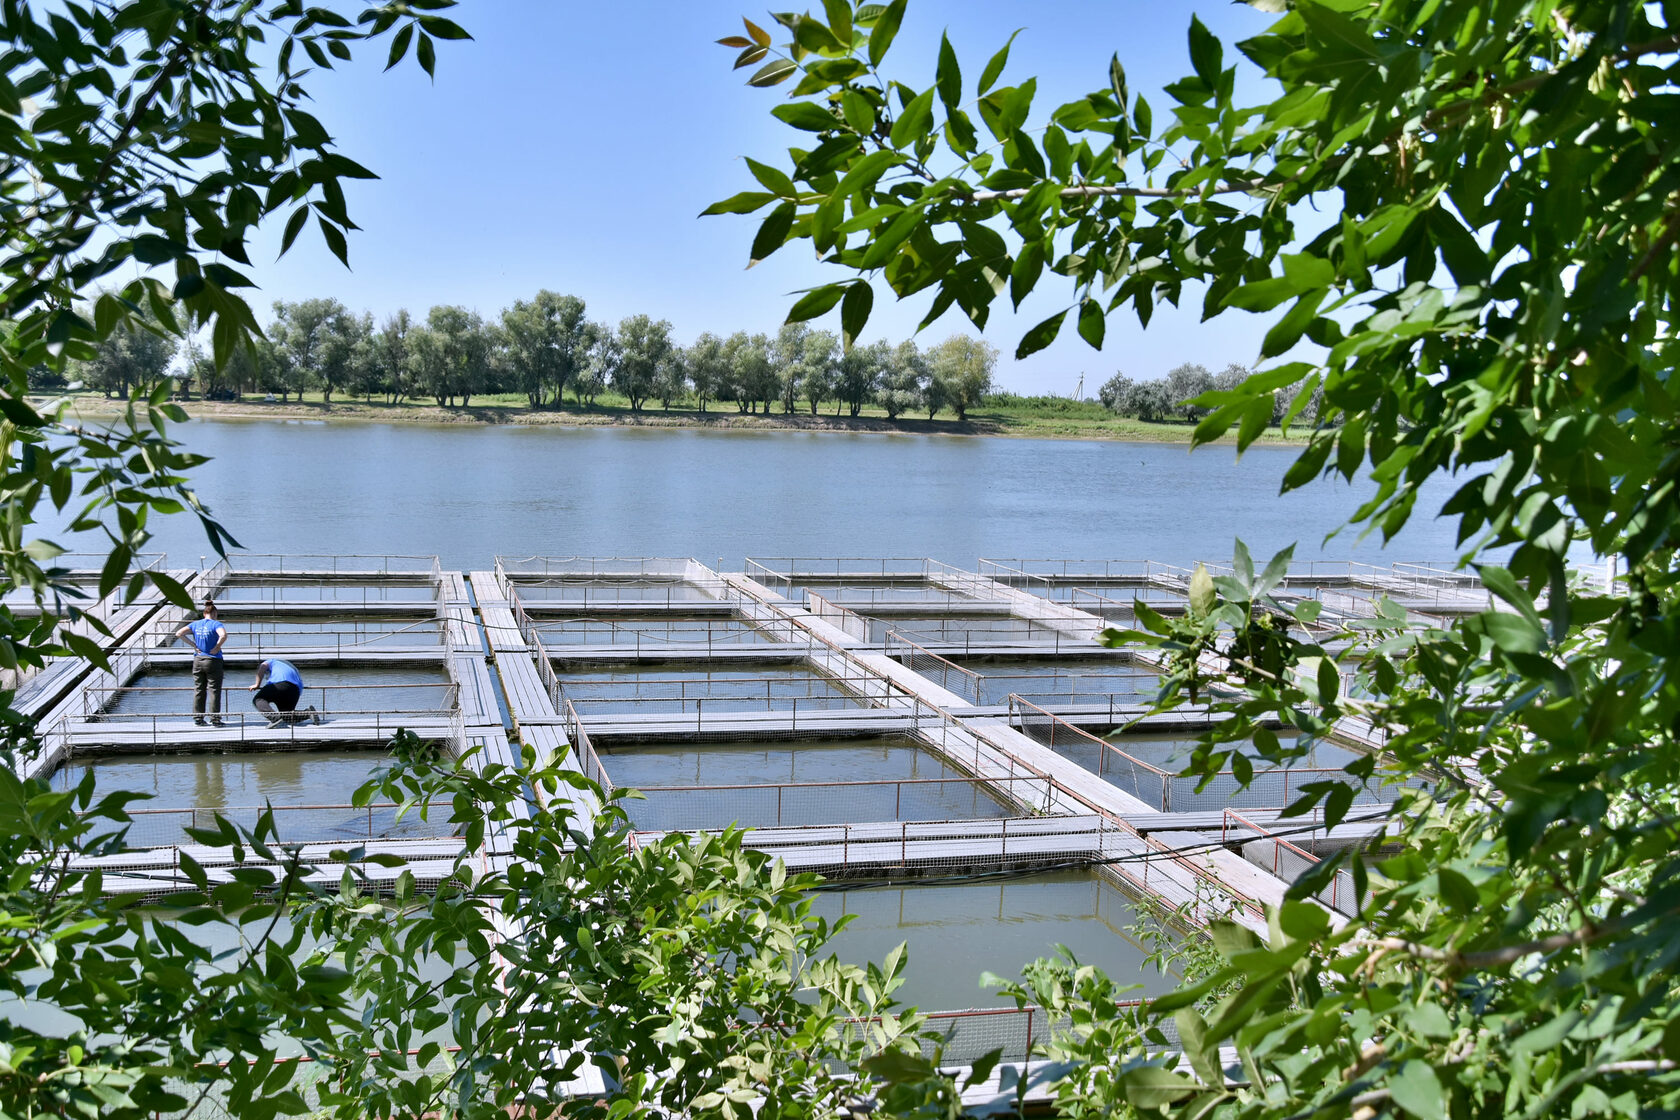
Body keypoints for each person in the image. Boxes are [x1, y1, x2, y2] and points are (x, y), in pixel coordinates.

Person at [174, 598, 227, 726]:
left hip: (198, 660)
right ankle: (215, 719)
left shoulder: (195, 624)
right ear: (214, 613)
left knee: (199, 689)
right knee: (214, 690)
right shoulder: (216, 624)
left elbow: (178, 633)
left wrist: (193, 645)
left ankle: (198, 718)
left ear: (204, 613)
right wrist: (217, 647)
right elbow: (223, 635)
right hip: (213, 660)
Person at [249, 657, 322, 728]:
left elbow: (263, 666)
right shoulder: (290, 666)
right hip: (295, 690)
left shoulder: (271, 661)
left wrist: (257, 684)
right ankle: (308, 713)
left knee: (258, 699)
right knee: (287, 716)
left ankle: (274, 718)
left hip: (280, 682)